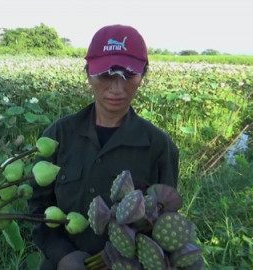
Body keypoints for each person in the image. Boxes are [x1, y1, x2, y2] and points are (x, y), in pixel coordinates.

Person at [28, 24, 179, 270]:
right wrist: (63, 255)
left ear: (143, 76)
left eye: (128, 75)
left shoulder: (159, 147)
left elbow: (163, 221)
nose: (117, 89)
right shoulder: (58, 136)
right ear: (88, 74)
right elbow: (37, 209)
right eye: (106, 75)